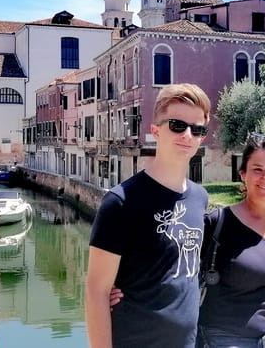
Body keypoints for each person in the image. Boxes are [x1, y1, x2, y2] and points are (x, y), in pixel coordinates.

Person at [85, 83, 212, 348]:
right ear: (155, 131)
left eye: (197, 129)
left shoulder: (200, 199)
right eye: (177, 125)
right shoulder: (121, 203)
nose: (187, 135)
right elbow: (96, 293)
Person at [197, 133, 265, 348]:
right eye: (257, 170)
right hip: (224, 340)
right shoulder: (218, 223)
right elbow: (173, 266)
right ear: (243, 173)